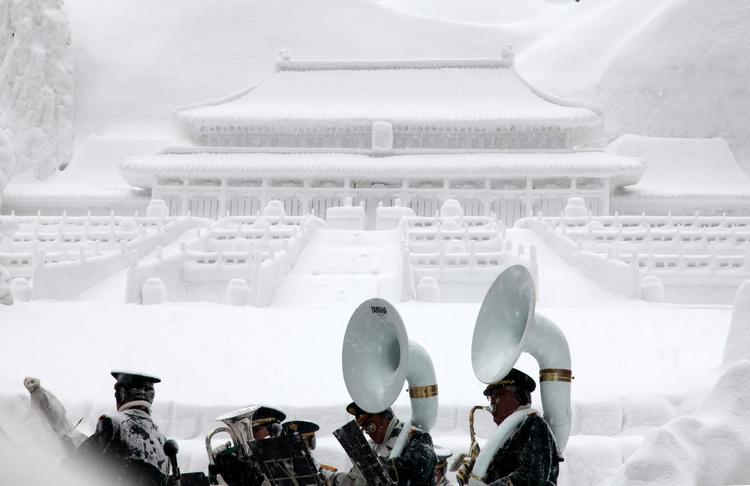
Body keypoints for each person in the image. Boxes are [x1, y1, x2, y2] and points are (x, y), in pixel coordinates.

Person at [74, 371, 170, 486]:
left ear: (121, 394)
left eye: (117, 392)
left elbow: (79, 465)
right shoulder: (164, 442)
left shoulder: (112, 423)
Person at [476, 368, 561, 486]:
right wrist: (476, 470)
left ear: (516, 396)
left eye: (497, 394)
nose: (492, 402)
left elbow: (532, 476)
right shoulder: (511, 430)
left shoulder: (534, 423)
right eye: (490, 397)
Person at [330, 402, 436, 486]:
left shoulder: (416, 437)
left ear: (384, 418)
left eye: (370, 427)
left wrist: (384, 469)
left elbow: (418, 466)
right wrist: (335, 480)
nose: (368, 433)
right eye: (365, 429)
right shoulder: (371, 448)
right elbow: (355, 479)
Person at [209, 405, 285, 486]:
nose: (253, 433)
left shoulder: (283, 455)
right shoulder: (233, 460)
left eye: (276, 429)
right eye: (253, 430)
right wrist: (215, 463)